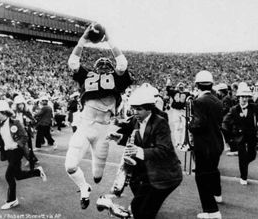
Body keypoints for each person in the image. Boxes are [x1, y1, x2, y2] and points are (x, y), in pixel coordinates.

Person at [65, 23, 132, 209]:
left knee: (98, 174)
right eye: (100, 65)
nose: (103, 67)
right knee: (70, 166)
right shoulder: (87, 76)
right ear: (95, 69)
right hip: (85, 126)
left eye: (106, 65)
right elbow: (73, 63)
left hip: (103, 130)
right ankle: (83, 188)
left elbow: (122, 64)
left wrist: (109, 38)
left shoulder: (117, 78)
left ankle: (92, 183)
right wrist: (83, 39)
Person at [97, 84, 182, 219]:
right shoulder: (138, 121)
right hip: (147, 174)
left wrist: (138, 151)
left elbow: (164, 150)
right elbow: (136, 140)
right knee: (138, 209)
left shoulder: (160, 123)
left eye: (139, 109)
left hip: (165, 176)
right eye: (133, 109)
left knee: (143, 212)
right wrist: (121, 138)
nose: (135, 112)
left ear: (149, 109)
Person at [0, 100, 47, 210]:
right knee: (18, 175)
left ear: (3, 112)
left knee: (8, 176)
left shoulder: (15, 122)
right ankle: (37, 171)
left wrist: (17, 145)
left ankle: (12, 200)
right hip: (8, 153)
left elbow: (25, 137)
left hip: (16, 152)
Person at [188, 70, 223, 219]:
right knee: (212, 172)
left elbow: (199, 125)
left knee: (202, 177)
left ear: (197, 85)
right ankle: (217, 195)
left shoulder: (199, 101)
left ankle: (212, 211)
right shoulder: (217, 100)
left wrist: (189, 124)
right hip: (216, 143)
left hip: (204, 146)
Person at [222, 82, 258, 185]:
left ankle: (244, 164)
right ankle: (243, 177)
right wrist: (230, 138)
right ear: (238, 97)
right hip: (240, 137)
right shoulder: (234, 109)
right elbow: (225, 123)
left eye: (246, 97)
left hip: (252, 136)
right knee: (242, 157)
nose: (244, 99)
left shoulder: (254, 107)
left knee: (252, 156)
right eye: (242, 97)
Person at [13, 95, 39, 169]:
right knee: (23, 148)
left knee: (26, 147)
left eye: (21, 104)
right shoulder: (15, 113)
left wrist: (29, 121)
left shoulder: (26, 111)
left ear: (24, 104)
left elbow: (33, 120)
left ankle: (31, 160)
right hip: (18, 132)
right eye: (18, 104)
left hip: (26, 132)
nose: (20, 106)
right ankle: (32, 159)